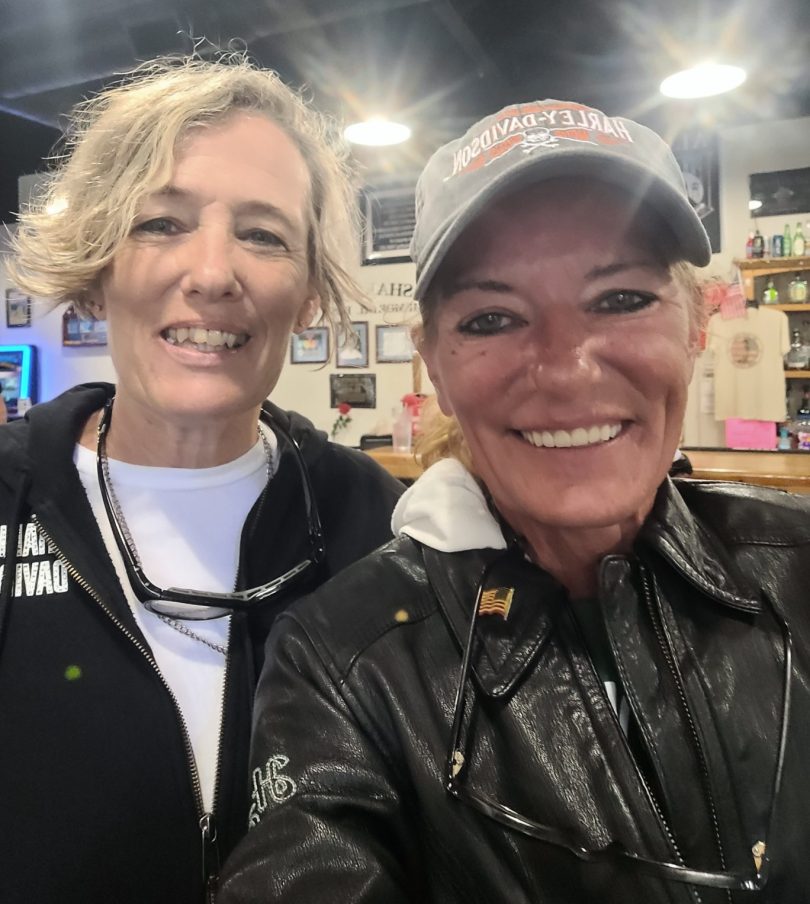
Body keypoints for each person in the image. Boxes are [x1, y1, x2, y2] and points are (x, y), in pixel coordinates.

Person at [219, 100, 810, 903]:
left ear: (696, 323)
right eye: (492, 318)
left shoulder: (798, 572)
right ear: (433, 361)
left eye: (621, 299)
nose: (566, 371)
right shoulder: (345, 665)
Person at [0, 55, 403, 904]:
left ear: (307, 295)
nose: (214, 272)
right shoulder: (11, 496)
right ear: (98, 264)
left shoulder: (377, 522)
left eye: (263, 234)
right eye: (161, 223)